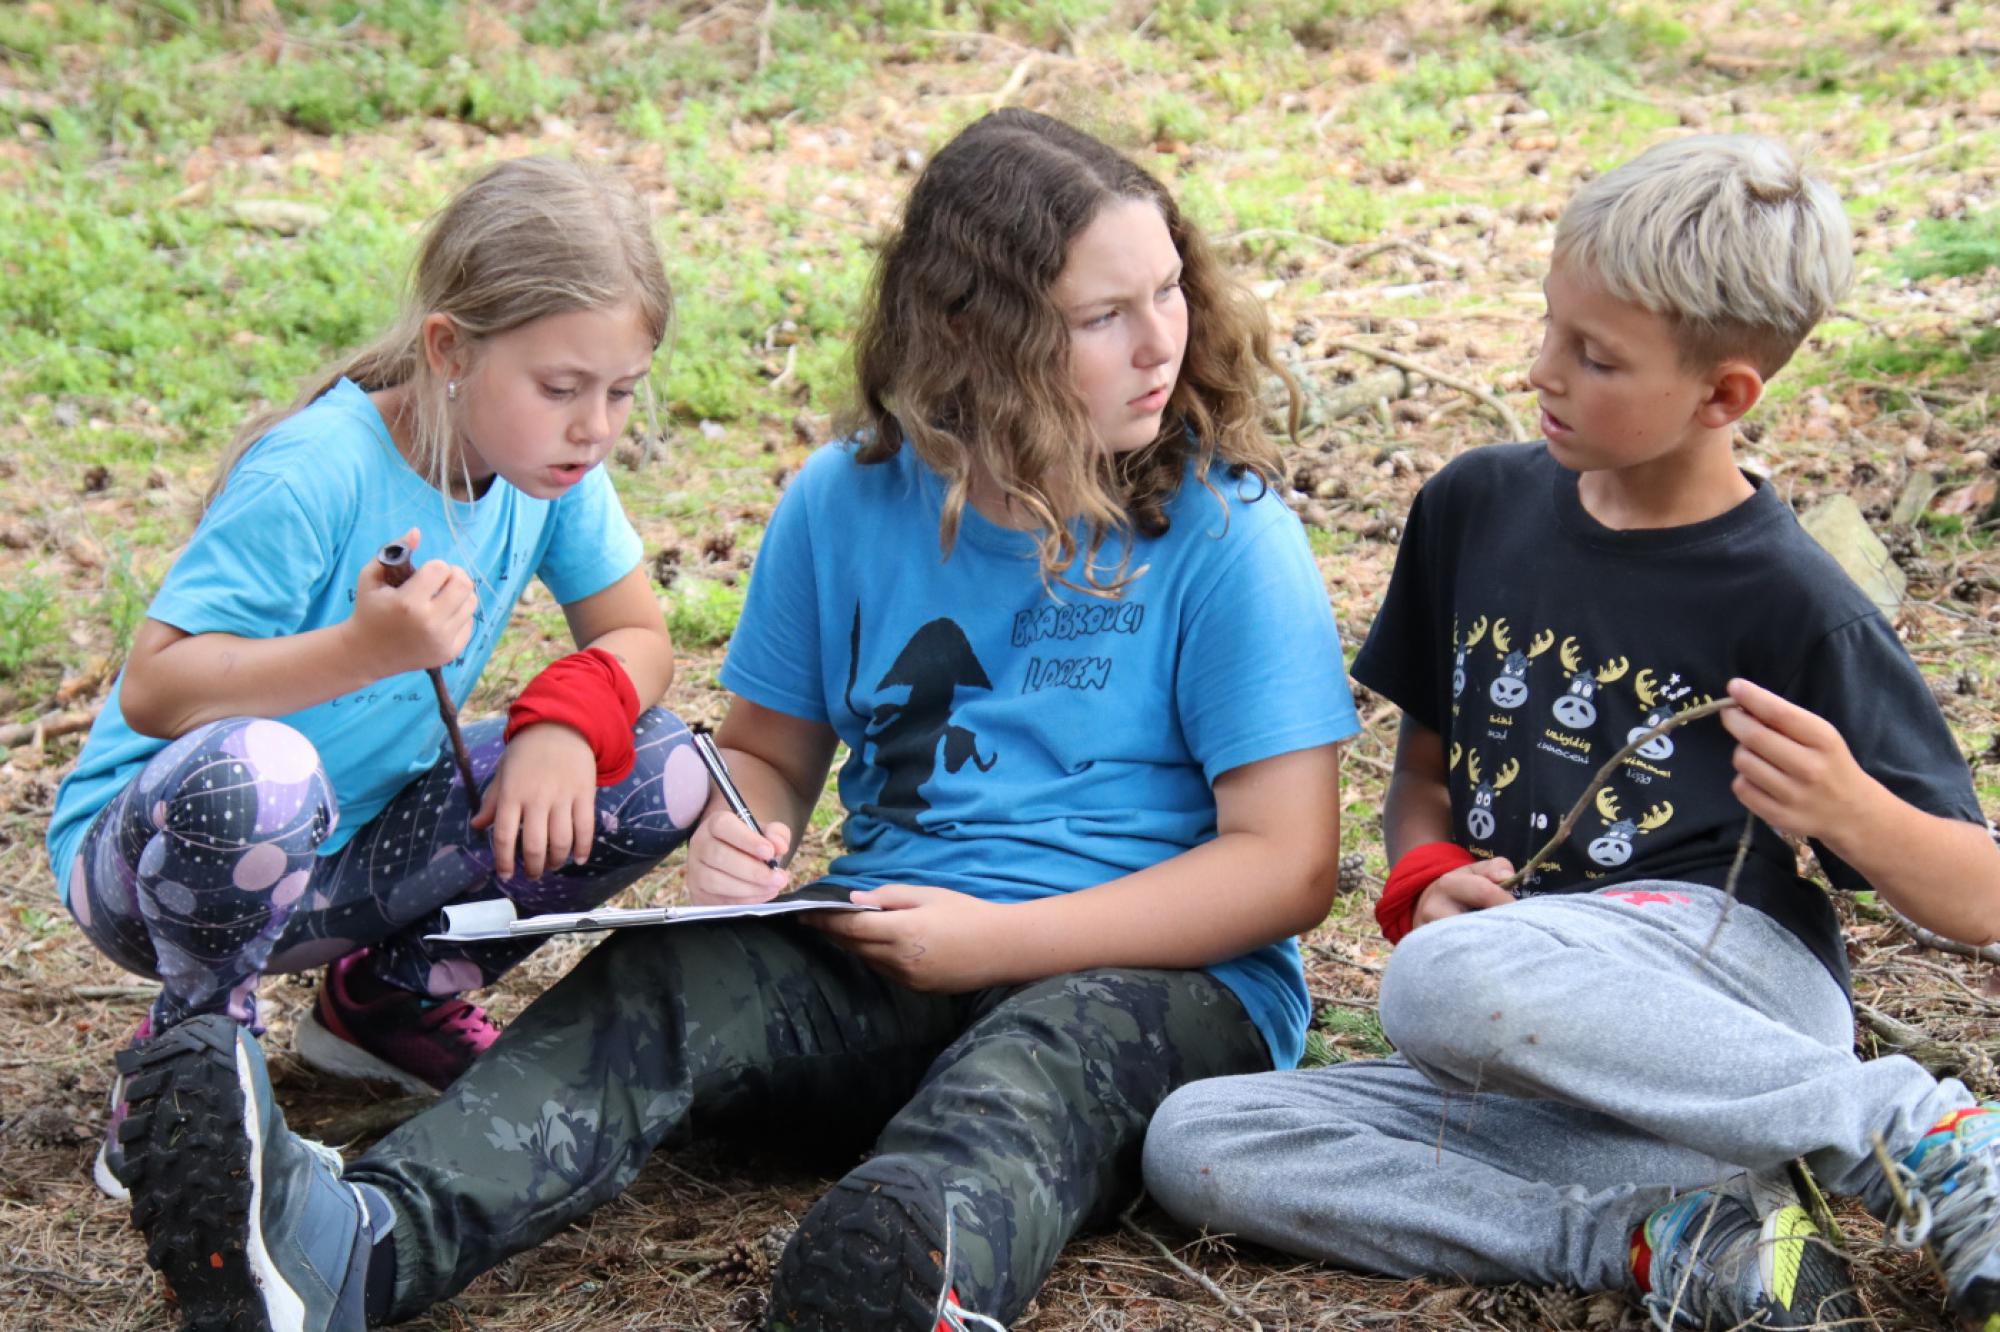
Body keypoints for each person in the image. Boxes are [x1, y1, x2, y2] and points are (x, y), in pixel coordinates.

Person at [110, 108, 1358, 1332]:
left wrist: (999, 941)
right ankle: (353, 1247)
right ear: (973, 331)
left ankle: (911, 1277)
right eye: (1101, 316)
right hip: (893, 947)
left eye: (1167, 291)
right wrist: (742, 840)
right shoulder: (846, 501)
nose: (1158, 342)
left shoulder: (1223, 531)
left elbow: (1285, 866)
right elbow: (764, 754)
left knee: (1026, 1078)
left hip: (1160, 982)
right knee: (659, 980)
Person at [1144, 135, 2000, 1331]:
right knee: (1200, 1138)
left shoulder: (1790, 602)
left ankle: (1915, 1132)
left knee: (1444, 979)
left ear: (1721, 396)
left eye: (1594, 358)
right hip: (1545, 1056)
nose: (1541, 368)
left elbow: (1978, 897)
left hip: (1728, 1001)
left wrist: (1848, 810)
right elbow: (1425, 773)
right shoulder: (1474, 507)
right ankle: (1677, 1236)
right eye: (1550, 325)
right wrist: (1425, 871)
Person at [50, 156, 710, 1202]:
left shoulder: (553, 473)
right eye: (560, 389)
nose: (594, 426)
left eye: (620, 391)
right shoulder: (316, 470)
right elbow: (157, 689)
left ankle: (386, 1007)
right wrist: (365, 650)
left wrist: (565, 723)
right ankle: (184, 1079)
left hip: (344, 860)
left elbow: (637, 636)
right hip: (160, 871)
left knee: (661, 763)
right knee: (260, 771)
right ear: (449, 349)